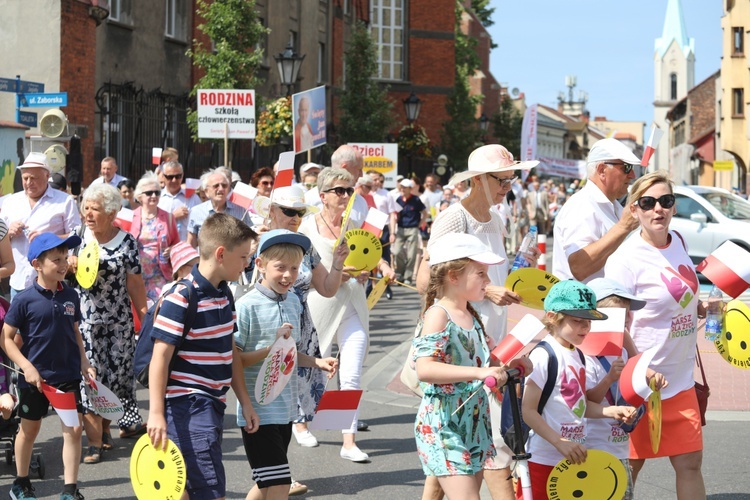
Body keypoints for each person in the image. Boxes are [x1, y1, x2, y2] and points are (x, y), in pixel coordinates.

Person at [415, 144, 538, 500]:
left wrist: (510, 283)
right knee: (490, 446)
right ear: (479, 180)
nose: (507, 188)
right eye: (501, 180)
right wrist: (486, 292)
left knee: (451, 459)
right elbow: (430, 279)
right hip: (460, 338)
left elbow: (491, 272)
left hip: (488, 332)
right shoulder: (455, 218)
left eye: (510, 180)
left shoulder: (497, 219)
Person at [604, 170, 705, 499]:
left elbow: (681, 295)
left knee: (690, 464)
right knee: (627, 470)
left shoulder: (680, 242)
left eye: (666, 201)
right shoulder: (625, 260)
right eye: (647, 203)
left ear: (674, 207)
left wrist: (699, 307)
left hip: (680, 379)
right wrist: (636, 366)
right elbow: (614, 323)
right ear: (634, 210)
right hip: (642, 384)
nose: (658, 209)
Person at [147, 213, 259, 500]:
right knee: (209, 491)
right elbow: (159, 358)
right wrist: (156, 413)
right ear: (221, 254)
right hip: (189, 405)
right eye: (244, 256)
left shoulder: (224, 294)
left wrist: (245, 402)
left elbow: (229, 352)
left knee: (188, 489)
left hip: (212, 406)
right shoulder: (181, 296)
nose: (247, 263)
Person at [414, 233, 529, 500]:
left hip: (475, 421)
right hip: (444, 424)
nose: (488, 282)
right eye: (481, 274)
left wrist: (513, 365)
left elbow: (484, 362)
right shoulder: (438, 314)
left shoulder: (471, 314)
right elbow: (425, 369)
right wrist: (480, 372)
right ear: (453, 276)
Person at [298, 167, 395, 462]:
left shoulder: (354, 223)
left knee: (350, 373)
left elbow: (365, 255)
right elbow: (303, 273)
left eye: (348, 190)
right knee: (313, 369)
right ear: (322, 195)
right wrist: (341, 272)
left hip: (353, 303)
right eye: (339, 190)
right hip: (320, 307)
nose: (345, 195)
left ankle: (347, 440)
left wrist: (374, 269)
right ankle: (300, 422)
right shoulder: (306, 228)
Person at [235, 229, 338, 500]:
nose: (288, 275)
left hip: (285, 409)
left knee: (266, 484)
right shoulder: (246, 306)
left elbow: (290, 353)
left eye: (294, 268)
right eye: (280, 267)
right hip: (257, 411)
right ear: (259, 265)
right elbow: (234, 359)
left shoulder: (294, 301)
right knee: (280, 484)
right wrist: (270, 349)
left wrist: (317, 362)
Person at [1, 233, 96, 500]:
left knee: (74, 430)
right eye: (56, 259)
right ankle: (20, 483)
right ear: (37, 265)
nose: (64, 264)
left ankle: (70, 490)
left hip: (66, 376)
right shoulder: (24, 299)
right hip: (34, 380)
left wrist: (85, 362)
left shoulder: (72, 297)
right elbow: (6, 339)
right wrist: (27, 367)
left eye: (65, 258)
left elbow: (75, 332)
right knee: (29, 431)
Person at [521, 280, 635, 500]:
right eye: (577, 321)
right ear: (553, 317)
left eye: (589, 322)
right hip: (544, 459)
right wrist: (559, 442)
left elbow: (579, 406)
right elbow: (528, 411)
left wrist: (611, 412)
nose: (586, 328)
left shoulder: (578, 354)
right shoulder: (543, 355)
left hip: (574, 458)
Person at [254, 187, 348, 451]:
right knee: (270, 399)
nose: (295, 217)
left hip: (302, 327)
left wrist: (339, 263)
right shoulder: (258, 243)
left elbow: (327, 289)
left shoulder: (305, 247)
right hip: (269, 325)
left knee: (292, 399)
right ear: (271, 211)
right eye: (288, 211)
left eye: (300, 213)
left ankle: (281, 471)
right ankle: (277, 474)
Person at [70, 183, 148, 464]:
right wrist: (65, 265)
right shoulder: (76, 238)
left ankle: (105, 432)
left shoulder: (127, 241)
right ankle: (92, 444)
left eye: (96, 209)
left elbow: (135, 282)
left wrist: (145, 316)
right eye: (86, 207)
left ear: (112, 212)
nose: (89, 213)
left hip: (119, 325)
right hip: (87, 325)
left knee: (115, 380)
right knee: (91, 380)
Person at [584, 277, 655, 500]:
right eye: (619, 315)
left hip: (619, 446)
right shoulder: (584, 355)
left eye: (627, 314)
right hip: (592, 446)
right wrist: (608, 379)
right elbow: (585, 401)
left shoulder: (622, 351)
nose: (627, 320)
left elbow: (628, 391)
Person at [552, 138, 641, 282]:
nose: (632, 175)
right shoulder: (581, 205)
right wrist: (623, 227)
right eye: (626, 167)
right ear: (602, 170)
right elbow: (579, 267)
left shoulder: (612, 205)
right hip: (584, 303)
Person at [2, 152, 80, 300]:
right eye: (25, 178)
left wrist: (49, 239)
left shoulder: (65, 201)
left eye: (34, 178)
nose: (29, 182)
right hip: (18, 281)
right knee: (16, 323)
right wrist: (9, 233)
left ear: (47, 176)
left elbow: (77, 236)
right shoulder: (11, 202)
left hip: (52, 282)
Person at [127, 173, 179, 302]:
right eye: (149, 193)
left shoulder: (169, 218)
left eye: (157, 192)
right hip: (135, 275)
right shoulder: (130, 217)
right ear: (139, 196)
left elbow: (177, 245)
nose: (154, 196)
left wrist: (171, 249)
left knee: (159, 310)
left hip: (160, 275)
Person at [188, 168, 253, 248]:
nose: (221, 189)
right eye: (216, 186)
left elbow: (250, 237)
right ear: (206, 191)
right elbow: (191, 242)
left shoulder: (240, 209)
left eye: (224, 185)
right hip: (206, 259)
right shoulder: (196, 211)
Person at [393, 179, 427, 286]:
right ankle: (401, 273)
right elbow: (396, 214)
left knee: (411, 253)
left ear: (410, 189)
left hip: (412, 228)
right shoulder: (398, 199)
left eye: (405, 187)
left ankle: (407, 276)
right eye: (401, 187)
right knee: (396, 251)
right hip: (401, 228)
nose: (402, 189)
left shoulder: (416, 200)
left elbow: (425, 213)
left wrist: (419, 224)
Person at [158, 160, 201, 242]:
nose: (174, 180)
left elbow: (201, 223)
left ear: (182, 175)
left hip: (186, 247)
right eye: (170, 177)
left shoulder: (193, 198)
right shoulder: (157, 198)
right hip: (163, 248)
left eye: (178, 176)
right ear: (163, 177)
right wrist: (172, 216)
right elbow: (151, 225)